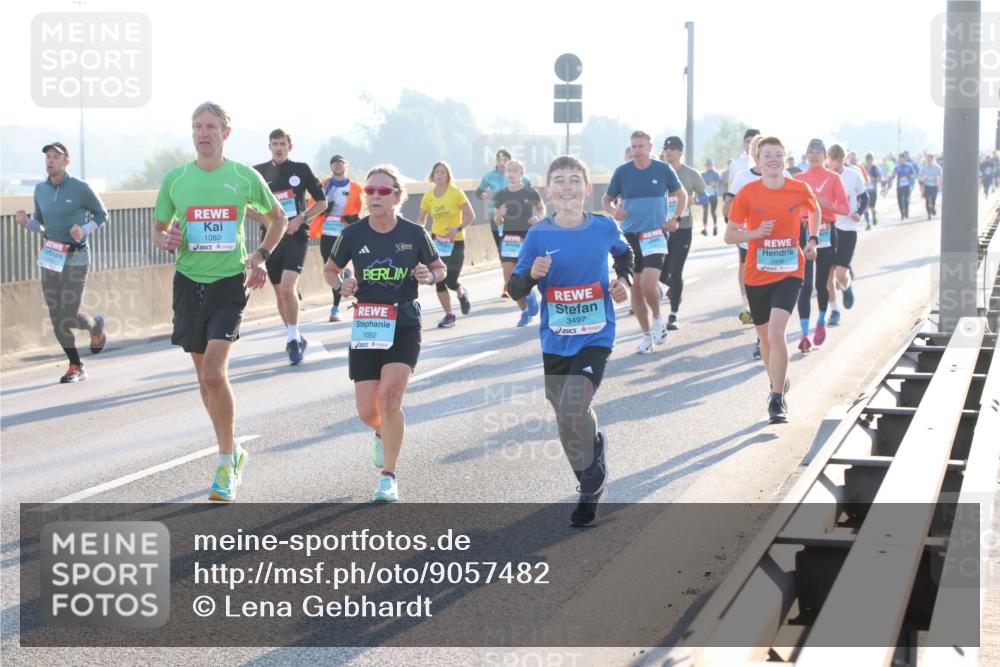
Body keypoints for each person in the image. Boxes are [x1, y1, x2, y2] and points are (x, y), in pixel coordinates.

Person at [153, 102, 287, 501]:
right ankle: (232, 446)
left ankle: (226, 463)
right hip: (188, 282)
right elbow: (160, 229)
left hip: (229, 283)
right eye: (197, 126)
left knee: (214, 373)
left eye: (211, 126)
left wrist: (260, 255)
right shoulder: (176, 180)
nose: (203, 133)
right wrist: (166, 239)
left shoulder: (243, 177)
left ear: (226, 133)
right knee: (203, 377)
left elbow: (278, 217)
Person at [508, 155, 633, 526]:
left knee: (572, 407)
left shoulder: (604, 227)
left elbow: (625, 255)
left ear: (587, 188)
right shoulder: (538, 235)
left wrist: (622, 282)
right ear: (549, 190)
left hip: (596, 333)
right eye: (559, 181)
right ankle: (589, 478)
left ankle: (588, 485)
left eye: (574, 180)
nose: (567, 187)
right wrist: (531, 273)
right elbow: (514, 286)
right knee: (564, 419)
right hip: (555, 339)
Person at [324, 165, 447, 503]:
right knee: (367, 410)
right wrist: (342, 284)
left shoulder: (414, 233)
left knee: (390, 397)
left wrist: (429, 276)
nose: (375, 196)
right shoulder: (352, 235)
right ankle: (381, 432)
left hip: (404, 321)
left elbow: (440, 268)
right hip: (367, 323)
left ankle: (388, 477)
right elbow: (330, 270)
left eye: (383, 191)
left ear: (397, 196)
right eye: (370, 191)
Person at [725, 137, 820, 424]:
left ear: (786, 160)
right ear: (758, 161)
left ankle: (776, 400)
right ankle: (777, 380)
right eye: (768, 155)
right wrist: (755, 234)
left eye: (779, 155)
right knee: (765, 338)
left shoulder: (798, 188)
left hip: (790, 271)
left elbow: (814, 210)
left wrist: (812, 239)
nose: (774, 159)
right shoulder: (747, 193)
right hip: (757, 274)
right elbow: (730, 235)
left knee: (777, 333)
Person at [15, 141, 109, 383]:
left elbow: (102, 215)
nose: (50, 160)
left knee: (67, 314)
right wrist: (27, 223)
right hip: (51, 256)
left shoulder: (80, 188)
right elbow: (41, 223)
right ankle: (75, 365)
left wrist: (85, 229)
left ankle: (95, 325)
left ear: (66, 162)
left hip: (77, 256)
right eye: (47, 156)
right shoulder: (40, 190)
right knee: (56, 316)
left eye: (56, 157)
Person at [603, 131, 686, 354]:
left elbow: (682, 194)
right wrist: (614, 211)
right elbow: (606, 200)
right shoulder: (622, 172)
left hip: (655, 233)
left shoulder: (662, 169)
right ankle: (646, 335)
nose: (636, 151)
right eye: (633, 147)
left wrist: (675, 218)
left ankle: (658, 319)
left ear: (650, 147)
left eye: (640, 146)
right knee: (637, 289)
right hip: (630, 235)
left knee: (648, 284)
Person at [249, 129, 327, 364]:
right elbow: (244, 205)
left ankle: (292, 340)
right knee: (280, 294)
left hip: (296, 235)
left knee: (287, 287)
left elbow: (322, 202)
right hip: (271, 240)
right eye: (275, 144)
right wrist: (265, 219)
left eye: (283, 143)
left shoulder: (301, 169)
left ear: (290, 147)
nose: (279, 147)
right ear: (269, 146)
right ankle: (295, 334)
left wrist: (300, 218)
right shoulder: (258, 172)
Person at [793, 139, 849, 350]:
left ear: (825, 156)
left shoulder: (833, 178)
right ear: (806, 155)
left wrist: (829, 205)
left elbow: (845, 208)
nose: (814, 155)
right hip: (804, 232)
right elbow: (790, 207)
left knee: (823, 283)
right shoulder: (799, 179)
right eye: (811, 151)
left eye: (818, 152)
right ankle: (804, 334)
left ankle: (821, 321)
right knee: (804, 285)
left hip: (827, 232)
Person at [419, 161, 475, 328]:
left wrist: (457, 229)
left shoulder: (456, 193)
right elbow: (421, 219)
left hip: (455, 241)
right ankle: (449, 314)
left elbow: (470, 216)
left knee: (451, 279)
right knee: (439, 279)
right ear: (432, 175)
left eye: (443, 172)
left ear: (448, 175)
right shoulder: (428, 196)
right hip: (437, 241)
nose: (439, 175)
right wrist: (418, 234)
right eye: (437, 172)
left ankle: (460, 291)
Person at [308, 154, 364, 322]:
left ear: (347, 166)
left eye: (341, 163)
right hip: (327, 232)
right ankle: (336, 306)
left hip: (347, 231)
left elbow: (362, 209)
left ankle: (350, 301)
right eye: (334, 163)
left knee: (351, 265)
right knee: (330, 269)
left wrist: (354, 218)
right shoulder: (324, 185)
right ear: (330, 166)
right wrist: (324, 209)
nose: (338, 166)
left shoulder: (355, 187)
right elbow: (312, 206)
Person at [658, 136, 704, 330]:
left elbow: (705, 196)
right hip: (660, 229)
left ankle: (673, 315)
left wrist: (695, 200)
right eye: (666, 149)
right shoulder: (658, 172)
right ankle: (676, 288)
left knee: (676, 271)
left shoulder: (691, 174)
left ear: (680, 152)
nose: (669, 152)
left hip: (683, 229)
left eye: (673, 149)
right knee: (658, 272)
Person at [494, 159, 545, 326]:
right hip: (509, 239)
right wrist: (499, 215)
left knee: (527, 272)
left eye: (515, 170)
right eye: (509, 171)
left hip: (528, 238)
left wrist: (539, 218)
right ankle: (524, 311)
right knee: (509, 277)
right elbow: (497, 221)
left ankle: (529, 292)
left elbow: (541, 208)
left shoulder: (530, 192)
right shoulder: (501, 195)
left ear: (521, 174)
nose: (512, 174)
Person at [476, 148, 529, 298]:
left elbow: (531, 196)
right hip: (497, 219)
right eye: (498, 159)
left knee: (519, 254)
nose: (501, 162)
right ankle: (508, 284)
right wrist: (486, 195)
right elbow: (478, 193)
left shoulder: (521, 178)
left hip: (519, 222)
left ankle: (520, 281)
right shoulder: (489, 176)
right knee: (504, 253)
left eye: (504, 160)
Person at [826, 144, 868, 325]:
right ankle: (834, 311)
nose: (835, 164)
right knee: (828, 275)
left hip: (848, 229)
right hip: (828, 229)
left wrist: (860, 212)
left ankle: (846, 285)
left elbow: (865, 197)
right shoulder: (824, 176)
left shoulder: (853, 175)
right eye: (832, 159)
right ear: (828, 159)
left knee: (840, 274)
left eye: (839, 160)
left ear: (844, 159)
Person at [724, 128, 761, 331]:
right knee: (747, 268)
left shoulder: (784, 174)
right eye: (750, 143)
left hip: (777, 241)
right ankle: (747, 304)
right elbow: (729, 201)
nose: (752, 146)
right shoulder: (740, 170)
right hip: (748, 235)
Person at [890, 153, 916, 219]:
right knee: (899, 200)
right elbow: (893, 174)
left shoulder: (909, 166)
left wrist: (910, 176)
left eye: (902, 158)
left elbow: (913, 174)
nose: (900, 160)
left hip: (907, 185)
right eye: (899, 158)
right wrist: (891, 179)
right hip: (899, 186)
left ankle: (906, 212)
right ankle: (902, 214)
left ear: (904, 159)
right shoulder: (897, 166)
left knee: (906, 199)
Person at [918, 153, 943, 219]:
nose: (929, 160)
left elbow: (941, 176)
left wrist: (938, 179)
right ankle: (928, 214)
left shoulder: (937, 167)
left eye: (930, 158)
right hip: (927, 185)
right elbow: (920, 177)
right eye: (928, 158)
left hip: (934, 185)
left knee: (933, 199)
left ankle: (933, 208)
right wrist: (923, 178)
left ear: (933, 159)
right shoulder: (924, 167)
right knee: (927, 200)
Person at [701, 159, 722, 235]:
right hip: (705, 195)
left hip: (713, 195)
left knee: (713, 211)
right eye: (707, 165)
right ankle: (705, 228)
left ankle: (715, 227)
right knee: (705, 212)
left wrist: (715, 184)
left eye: (710, 165)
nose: (709, 166)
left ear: (713, 165)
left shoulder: (716, 174)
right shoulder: (703, 174)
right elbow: (701, 183)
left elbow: (720, 183)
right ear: (705, 166)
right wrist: (706, 184)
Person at [863, 153, 883, 228]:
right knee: (865, 208)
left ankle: (874, 214)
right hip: (865, 191)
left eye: (870, 159)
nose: (869, 161)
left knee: (871, 207)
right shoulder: (863, 168)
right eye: (867, 159)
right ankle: (868, 223)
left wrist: (873, 179)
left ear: (872, 160)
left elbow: (880, 179)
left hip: (873, 191)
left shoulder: (875, 168)